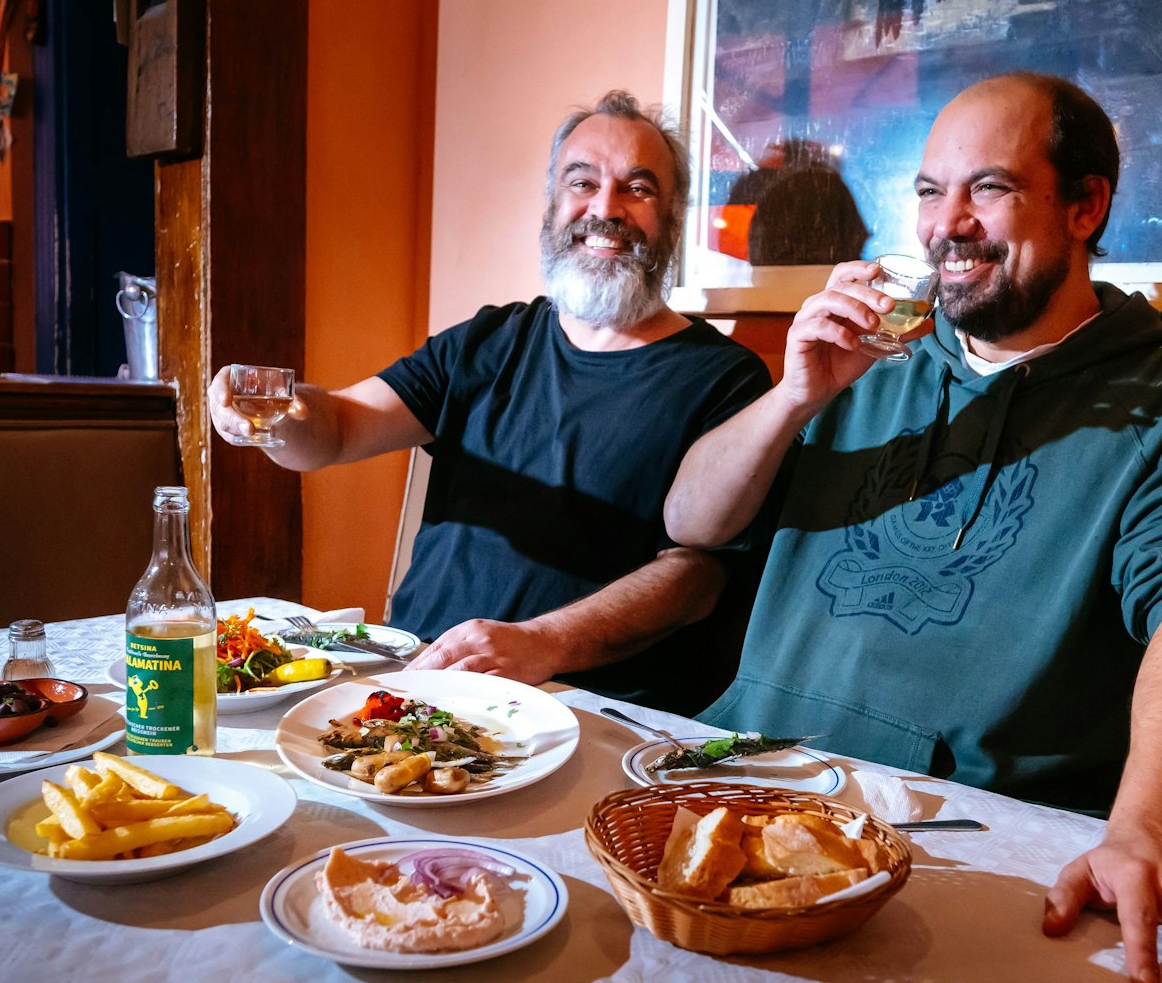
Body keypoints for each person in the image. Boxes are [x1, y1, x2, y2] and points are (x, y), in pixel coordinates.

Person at [663, 72, 1162, 983]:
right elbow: (690, 520)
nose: (945, 225)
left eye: (988, 189)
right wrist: (794, 394)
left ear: (1084, 205)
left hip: (952, 854)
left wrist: (1153, 829)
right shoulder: (863, 360)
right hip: (727, 789)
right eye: (928, 193)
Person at [208, 90, 772, 715]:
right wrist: (277, 411)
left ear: (672, 217)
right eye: (581, 182)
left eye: (637, 189)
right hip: (416, 677)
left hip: (584, 706)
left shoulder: (725, 378)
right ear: (553, 203)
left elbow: (696, 580)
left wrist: (543, 644)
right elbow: (338, 428)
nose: (604, 209)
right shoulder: (487, 339)